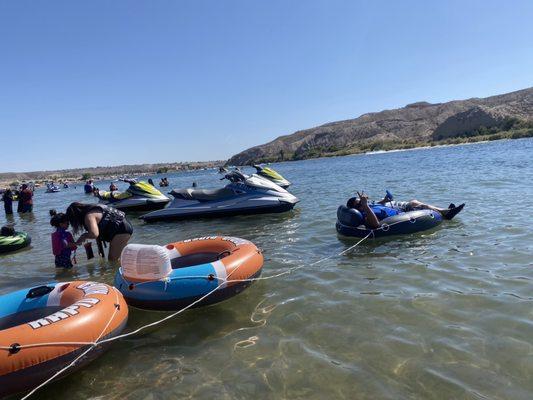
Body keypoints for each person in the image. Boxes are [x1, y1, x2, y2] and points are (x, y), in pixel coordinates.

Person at [347, 191, 465, 229]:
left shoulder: (369, 206)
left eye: (361, 202)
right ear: (356, 209)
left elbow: (378, 204)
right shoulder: (365, 214)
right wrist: (365, 206)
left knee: (414, 201)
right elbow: (375, 225)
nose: (362, 203)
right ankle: (446, 213)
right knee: (417, 205)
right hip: (402, 216)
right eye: (359, 204)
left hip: (400, 211)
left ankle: (445, 211)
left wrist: (385, 200)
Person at [66, 202, 133, 262]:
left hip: (121, 230)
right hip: (124, 226)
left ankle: (118, 274)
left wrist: (84, 236)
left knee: (112, 259)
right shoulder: (93, 209)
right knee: (124, 257)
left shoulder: (89, 216)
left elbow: (94, 234)